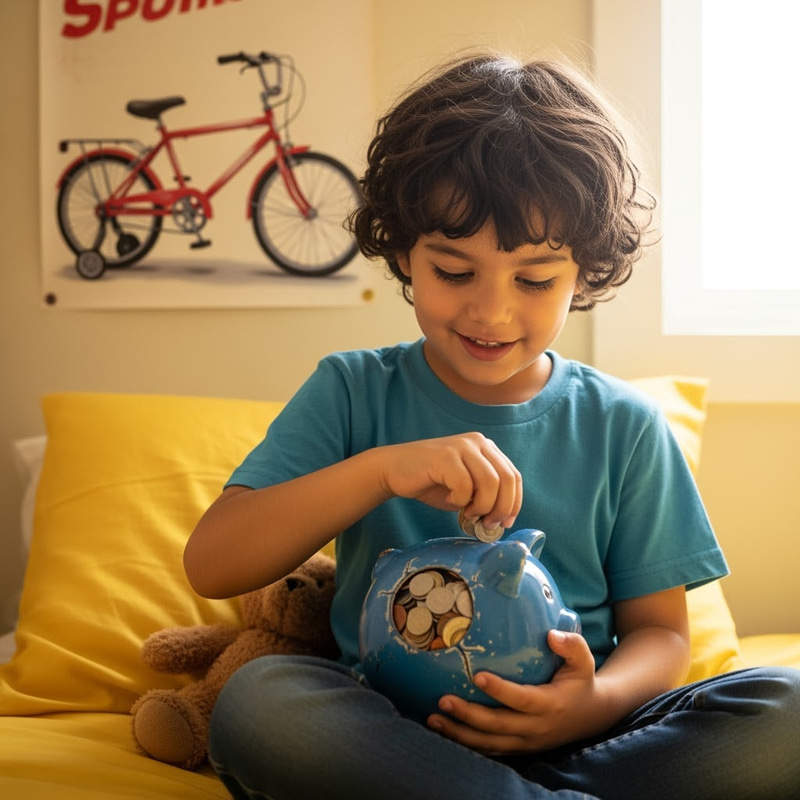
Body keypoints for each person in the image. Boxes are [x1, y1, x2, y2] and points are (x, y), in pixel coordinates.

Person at [183, 52, 800, 800]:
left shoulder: (625, 425)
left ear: (585, 273)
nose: (491, 311)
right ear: (404, 251)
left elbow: (662, 636)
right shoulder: (351, 390)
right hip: (393, 738)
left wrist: (592, 704)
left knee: (788, 705)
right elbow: (213, 564)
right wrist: (379, 471)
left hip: (589, 734)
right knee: (259, 703)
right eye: (453, 271)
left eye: (535, 280)